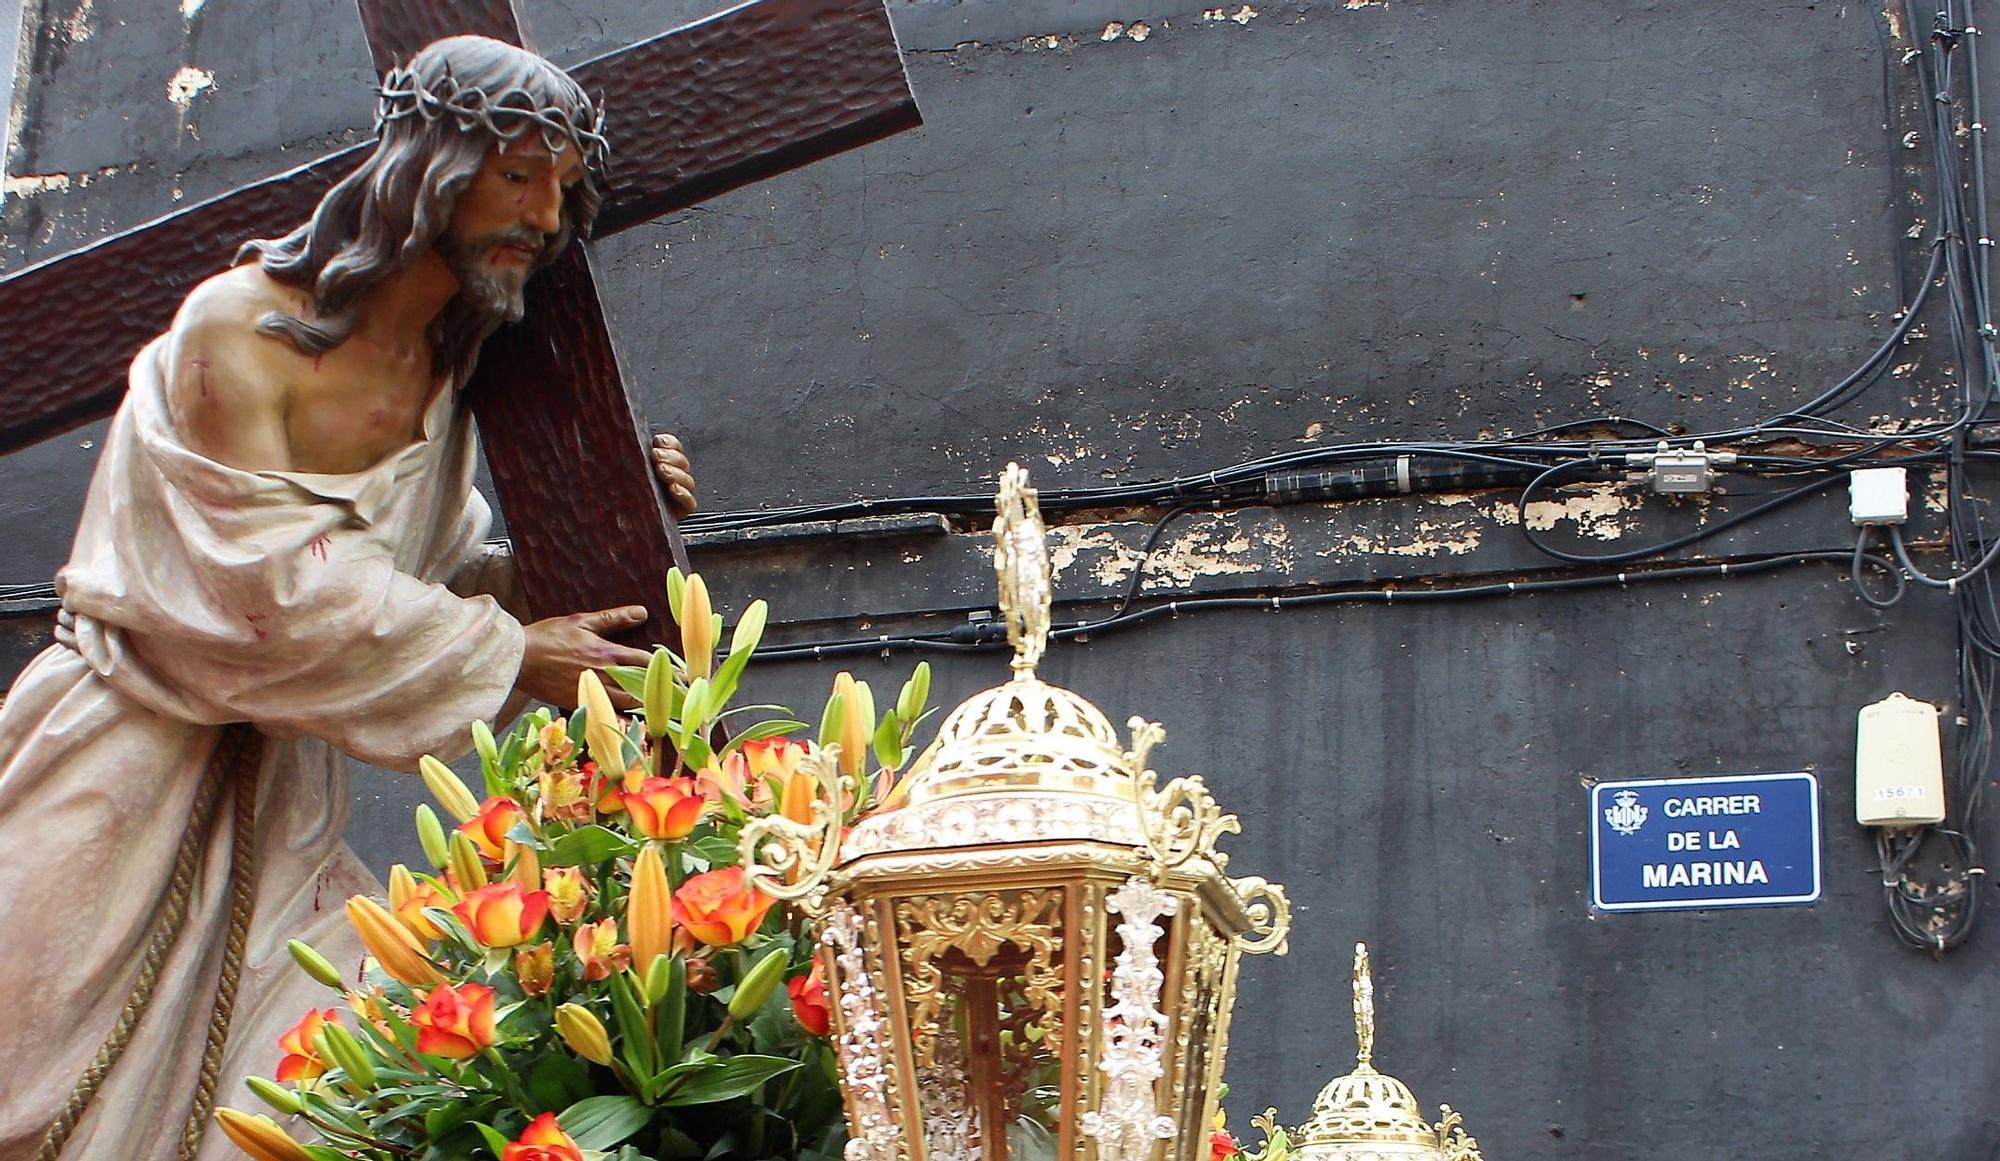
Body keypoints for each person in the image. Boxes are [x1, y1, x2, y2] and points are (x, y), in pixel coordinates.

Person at [0, 36, 693, 1161]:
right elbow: (258, 600)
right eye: (518, 173)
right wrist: (508, 653)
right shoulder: (240, 331)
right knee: (32, 1085)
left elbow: (409, 591)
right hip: (120, 760)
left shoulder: (451, 382)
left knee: (324, 1088)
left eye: (562, 189)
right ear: (429, 165)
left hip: (280, 799)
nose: (544, 216)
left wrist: (598, 549)